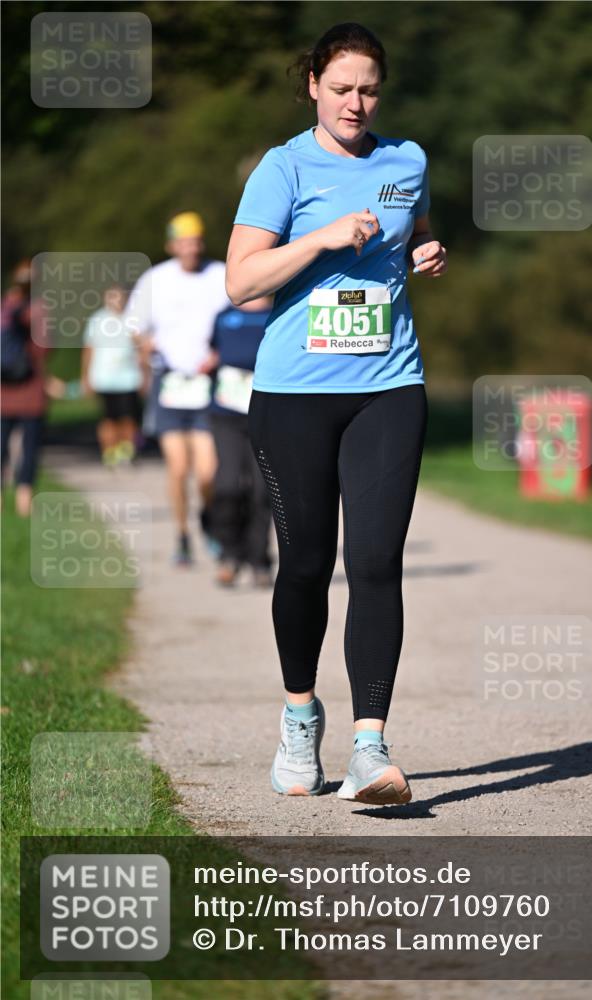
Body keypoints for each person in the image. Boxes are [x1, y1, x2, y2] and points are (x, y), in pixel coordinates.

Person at [225, 23, 447, 805]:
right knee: (306, 565)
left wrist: (425, 251)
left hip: (388, 386)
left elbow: (414, 232)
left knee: (377, 561)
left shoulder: (406, 161)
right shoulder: (282, 168)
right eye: (342, 88)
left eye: (369, 90)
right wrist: (319, 238)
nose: (356, 103)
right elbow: (241, 282)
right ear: (313, 85)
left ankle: (369, 746)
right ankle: (299, 717)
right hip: (294, 395)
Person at [126, 212, 231, 565]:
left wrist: (221, 353)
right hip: (169, 383)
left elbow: (238, 319)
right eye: (184, 242)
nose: (191, 249)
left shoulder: (219, 275)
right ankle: (183, 535)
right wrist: (145, 345)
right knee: (178, 468)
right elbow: (134, 326)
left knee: (207, 472)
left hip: (207, 383)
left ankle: (208, 520)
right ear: (172, 245)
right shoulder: (155, 279)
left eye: (196, 241)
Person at [206, 297, 273, 588]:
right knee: (228, 485)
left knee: (262, 490)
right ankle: (229, 554)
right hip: (226, 414)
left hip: (267, 413)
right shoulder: (223, 316)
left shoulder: (277, 312)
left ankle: (260, 560)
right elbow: (212, 352)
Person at [0, 260, 55, 516]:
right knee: (30, 447)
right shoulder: (39, 309)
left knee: (1, 445)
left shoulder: (4, 307)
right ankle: (25, 501)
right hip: (31, 390)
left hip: (4, 391)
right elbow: (45, 349)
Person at [81, 283, 143, 467]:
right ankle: (109, 452)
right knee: (108, 418)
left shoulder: (132, 319)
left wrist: (145, 373)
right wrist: (86, 376)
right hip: (104, 378)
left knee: (128, 418)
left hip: (129, 378)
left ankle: (126, 451)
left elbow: (141, 349)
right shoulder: (97, 320)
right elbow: (89, 349)